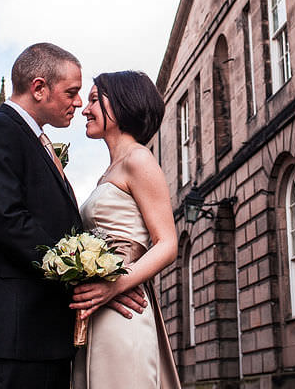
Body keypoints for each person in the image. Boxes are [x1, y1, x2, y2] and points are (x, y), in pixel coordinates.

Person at [0, 44, 144, 389]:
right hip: (11, 337)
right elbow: (10, 222)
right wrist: (89, 278)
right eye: (71, 92)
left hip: (39, 337)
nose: (78, 103)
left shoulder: (33, 141)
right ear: (39, 88)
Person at [71, 70, 182, 389]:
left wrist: (115, 284)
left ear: (121, 104)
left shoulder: (139, 159)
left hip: (123, 307)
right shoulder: (109, 171)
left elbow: (167, 243)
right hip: (100, 306)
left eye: (94, 100)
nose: (85, 110)